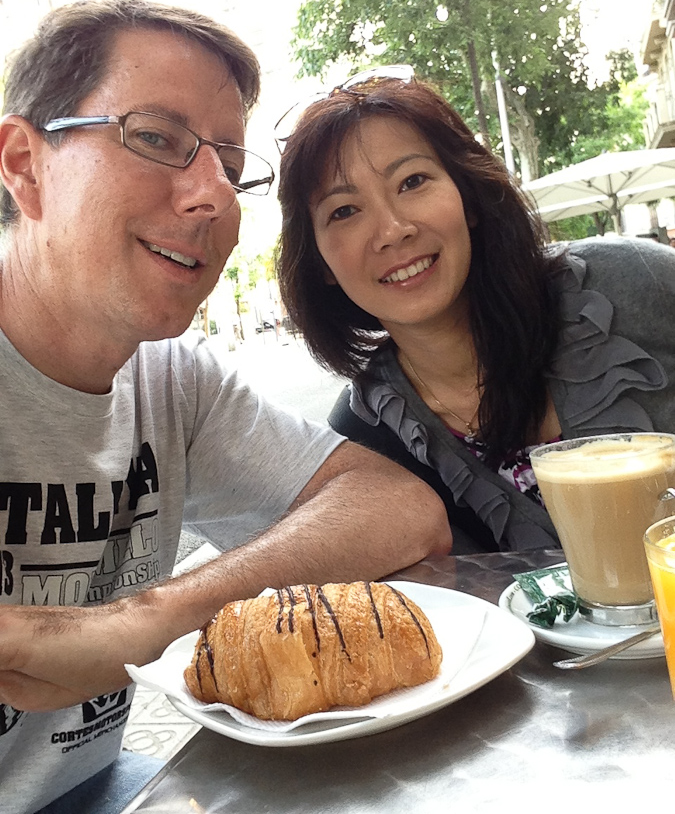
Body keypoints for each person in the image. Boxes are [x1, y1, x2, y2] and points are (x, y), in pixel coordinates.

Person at [0, 0, 452, 814]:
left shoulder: (172, 381)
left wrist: (141, 623)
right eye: (158, 139)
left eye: (230, 161)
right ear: (25, 164)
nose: (214, 194)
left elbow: (397, 506)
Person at [276, 70, 675, 555]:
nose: (393, 230)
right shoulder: (365, 438)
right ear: (321, 264)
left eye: (413, 181)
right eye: (343, 211)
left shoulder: (632, 283)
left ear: (469, 198)